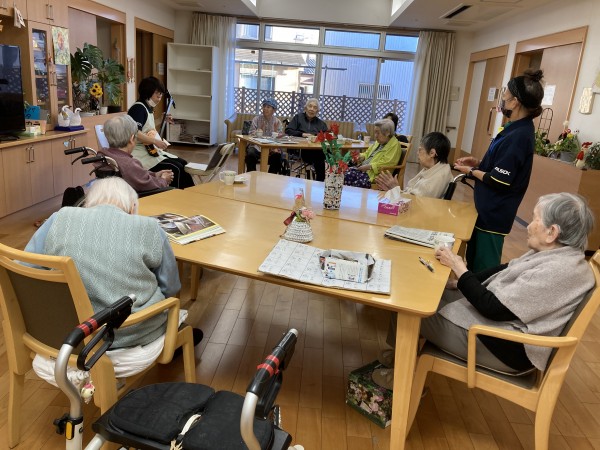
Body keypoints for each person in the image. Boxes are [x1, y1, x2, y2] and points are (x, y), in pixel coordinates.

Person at [373, 193, 595, 388]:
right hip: (502, 332)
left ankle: (400, 377)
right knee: (423, 290)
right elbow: (504, 269)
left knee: (407, 306)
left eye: (535, 219)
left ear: (552, 232)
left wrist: (460, 269)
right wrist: (460, 280)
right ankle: (399, 357)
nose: (528, 225)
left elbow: (492, 308)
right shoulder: (561, 256)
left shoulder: (558, 271)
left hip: (504, 347)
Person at [454, 69, 545, 272]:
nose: (502, 98)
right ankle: (468, 283)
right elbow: (502, 165)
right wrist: (478, 162)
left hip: (495, 213)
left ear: (515, 102)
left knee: (485, 268)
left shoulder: (520, 135)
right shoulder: (514, 128)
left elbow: (499, 179)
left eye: (505, 94)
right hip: (486, 208)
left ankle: (481, 290)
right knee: (474, 259)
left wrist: (471, 171)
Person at [128, 76, 194, 189]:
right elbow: (134, 132)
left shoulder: (146, 107)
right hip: (139, 154)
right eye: (157, 94)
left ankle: (190, 194)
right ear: (147, 92)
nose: (159, 97)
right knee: (175, 169)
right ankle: (179, 196)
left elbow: (146, 128)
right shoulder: (138, 108)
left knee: (182, 163)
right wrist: (155, 141)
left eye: (161, 94)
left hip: (149, 151)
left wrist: (161, 120)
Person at [101, 115, 174, 192]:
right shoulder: (129, 163)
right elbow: (148, 185)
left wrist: (155, 174)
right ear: (132, 139)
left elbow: (138, 176)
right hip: (134, 197)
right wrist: (164, 179)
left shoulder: (103, 154)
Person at [375, 131, 453, 198]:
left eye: (420, 150)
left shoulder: (436, 179)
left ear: (432, 153)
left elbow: (415, 203)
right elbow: (413, 194)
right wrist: (393, 190)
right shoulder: (435, 168)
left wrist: (395, 189)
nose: (417, 153)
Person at [343, 119, 400, 188]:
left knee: (346, 176)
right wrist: (360, 157)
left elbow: (387, 163)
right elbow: (367, 153)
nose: (375, 136)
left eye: (378, 133)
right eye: (375, 132)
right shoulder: (378, 142)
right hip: (364, 171)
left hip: (374, 176)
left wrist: (369, 166)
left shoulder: (394, 145)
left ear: (387, 133)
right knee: (342, 172)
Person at [285, 98, 329, 181]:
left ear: (317, 111)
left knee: (324, 155)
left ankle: (322, 181)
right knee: (320, 157)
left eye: (315, 107)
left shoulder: (321, 124)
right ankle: (320, 181)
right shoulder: (298, 118)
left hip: (317, 149)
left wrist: (318, 137)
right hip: (301, 150)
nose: (312, 109)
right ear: (305, 108)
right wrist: (302, 134)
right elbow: (288, 130)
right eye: (310, 106)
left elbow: (326, 136)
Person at [246, 98, 284, 173]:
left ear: (274, 110)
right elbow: (250, 134)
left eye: (268, 107)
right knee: (250, 154)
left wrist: (276, 133)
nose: (265, 109)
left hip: (271, 148)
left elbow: (280, 137)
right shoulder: (256, 119)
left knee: (277, 156)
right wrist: (258, 131)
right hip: (256, 146)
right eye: (264, 106)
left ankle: (270, 176)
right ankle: (252, 175)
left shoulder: (277, 122)